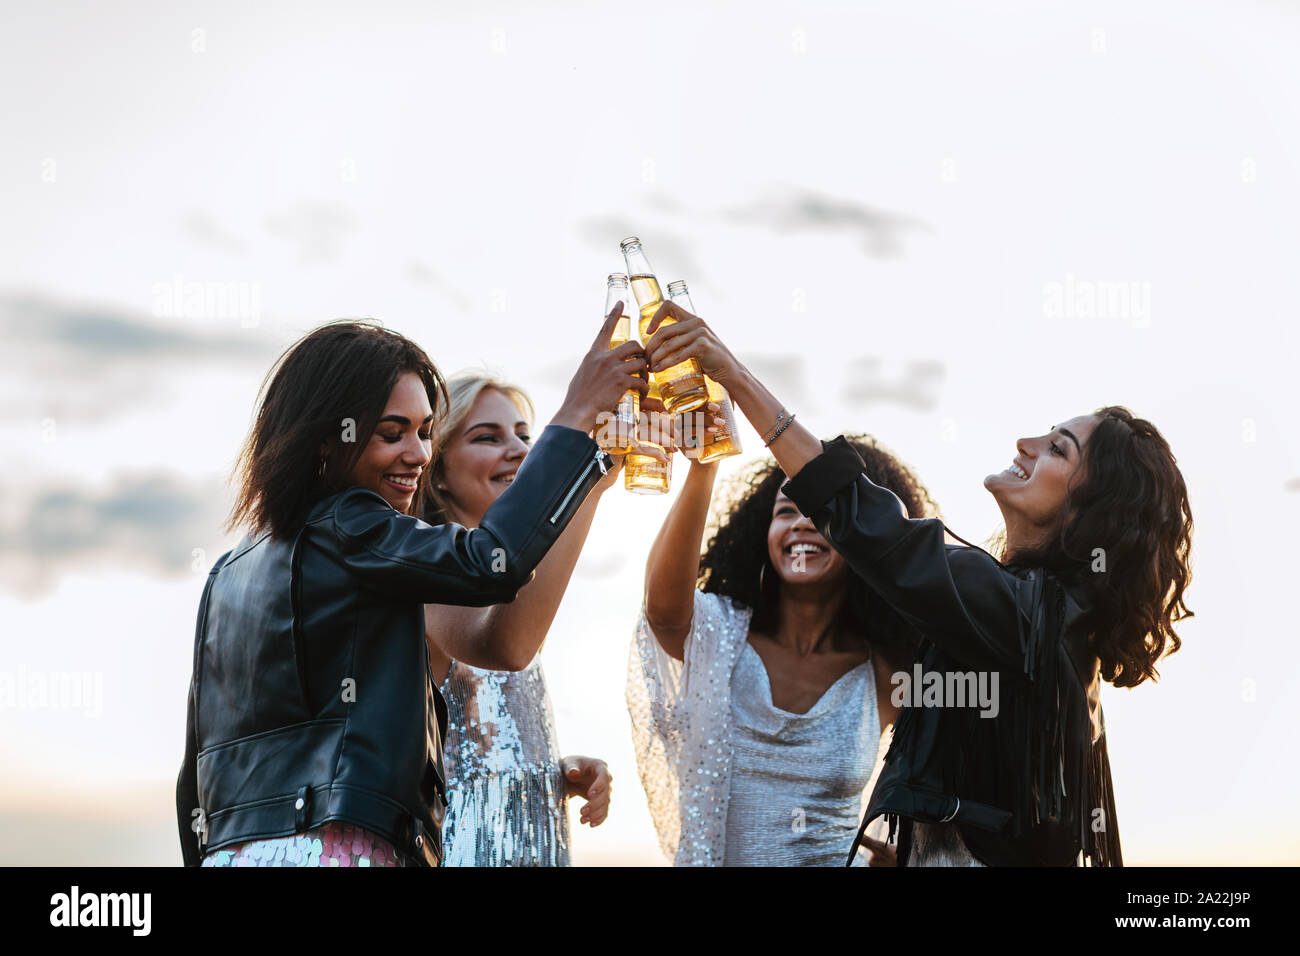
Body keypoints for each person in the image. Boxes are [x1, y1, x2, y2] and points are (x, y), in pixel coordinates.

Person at [640, 300, 1193, 866]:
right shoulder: (1038, 618)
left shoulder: (1024, 613)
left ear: (1086, 512)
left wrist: (733, 375)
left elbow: (874, 528)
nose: (1027, 442)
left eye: (1058, 449)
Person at [177, 312, 646, 867]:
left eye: (425, 432)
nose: (420, 454)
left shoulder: (228, 569)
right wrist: (575, 415)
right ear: (326, 437)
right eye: (391, 433)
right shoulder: (353, 522)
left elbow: (195, 772)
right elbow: (491, 564)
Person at [629, 408, 936, 865]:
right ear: (762, 529)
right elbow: (663, 609)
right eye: (786, 510)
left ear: (869, 536)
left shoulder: (890, 671)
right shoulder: (720, 635)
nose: (801, 523)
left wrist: (907, 858)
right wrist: (704, 465)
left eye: (824, 511)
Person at [420, 371, 623, 866]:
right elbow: (508, 650)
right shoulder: (426, 566)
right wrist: (586, 490)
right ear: (437, 469)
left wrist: (552, 771)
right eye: (487, 437)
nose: (517, 450)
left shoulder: (512, 584)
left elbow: (489, 736)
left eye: (523, 435)